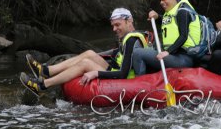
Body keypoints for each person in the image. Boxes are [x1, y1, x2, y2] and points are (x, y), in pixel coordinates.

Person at [20, 8, 148, 96]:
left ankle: (42, 86)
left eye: (117, 25)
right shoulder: (127, 37)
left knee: (85, 63)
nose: (114, 29)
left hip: (125, 79)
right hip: (116, 70)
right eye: (113, 25)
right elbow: (117, 56)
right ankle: (46, 71)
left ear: (129, 21)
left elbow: (123, 74)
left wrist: (95, 72)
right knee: (89, 54)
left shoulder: (132, 41)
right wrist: (94, 57)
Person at [132, 0, 201, 75]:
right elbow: (169, 23)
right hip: (175, 55)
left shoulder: (182, 12)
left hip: (183, 59)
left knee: (138, 53)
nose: (161, 2)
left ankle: (139, 84)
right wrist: (157, 17)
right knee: (154, 46)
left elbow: (183, 36)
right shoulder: (172, 13)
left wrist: (168, 52)